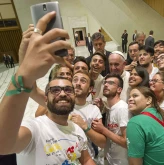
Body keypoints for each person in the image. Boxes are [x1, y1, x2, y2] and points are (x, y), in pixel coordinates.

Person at [0, 12, 95, 164]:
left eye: (68, 90)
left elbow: (87, 159)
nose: (62, 93)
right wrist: (24, 69)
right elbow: (3, 144)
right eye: (55, 90)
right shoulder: (36, 129)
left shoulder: (77, 130)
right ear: (46, 98)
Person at [127, 86, 164, 165]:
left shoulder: (135, 122)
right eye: (129, 97)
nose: (130, 99)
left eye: (135, 96)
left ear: (148, 100)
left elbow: (135, 162)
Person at [92, 73, 131, 165]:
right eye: (105, 82)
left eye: (110, 83)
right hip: (111, 160)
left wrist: (103, 129)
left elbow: (126, 142)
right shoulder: (111, 108)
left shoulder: (122, 108)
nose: (105, 85)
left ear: (119, 89)